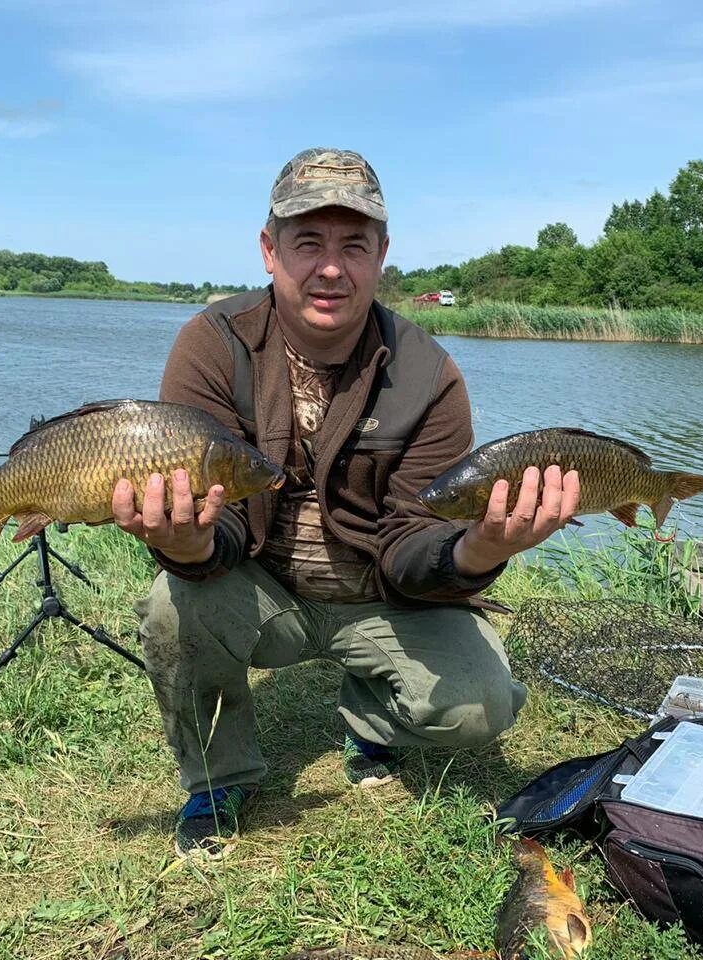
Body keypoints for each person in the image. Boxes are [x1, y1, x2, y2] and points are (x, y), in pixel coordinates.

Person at [111, 147, 580, 859]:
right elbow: (225, 522)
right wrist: (186, 544)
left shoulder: (428, 373)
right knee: (173, 606)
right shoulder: (214, 346)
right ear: (270, 251)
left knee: (481, 703)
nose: (331, 267)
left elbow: (411, 541)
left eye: (353, 244)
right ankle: (218, 777)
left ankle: (371, 718)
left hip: (381, 596)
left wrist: (483, 548)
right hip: (263, 588)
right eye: (308, 243)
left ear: (382, 255)